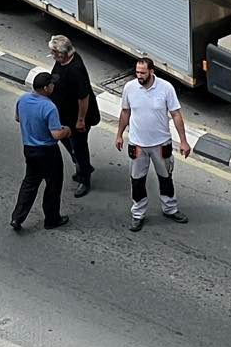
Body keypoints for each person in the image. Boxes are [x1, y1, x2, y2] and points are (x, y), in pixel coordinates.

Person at [114, 58, 190, 233]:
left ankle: (170, 209)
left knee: (165, 178)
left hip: (161, 144)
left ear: (151, 72)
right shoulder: (130, 88)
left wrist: (184, 141)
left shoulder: (166, 88)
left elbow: (176, 114)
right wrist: (119, 135)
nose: (139, 76)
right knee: (137, 181)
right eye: (137, 72)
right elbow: (125, 112)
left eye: (143, 72)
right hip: (137, 144)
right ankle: (138, 214)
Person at [11, 72, 69, 232]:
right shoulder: (49, 107)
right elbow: (56, 134)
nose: (53, 86)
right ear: (45, 88)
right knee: (53, 184)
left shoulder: (23, 99)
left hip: (29, 149)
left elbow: (18, 118)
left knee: (30, 182)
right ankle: (52, 219)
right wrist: (66, 130)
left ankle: (17, 217)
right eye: (51, 84)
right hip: (47, 151)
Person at [47, 37, 98, 196]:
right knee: (65, 139)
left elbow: (83, 97)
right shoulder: (61, 62)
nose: (52, 55)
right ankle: (80, 163)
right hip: (63, 113)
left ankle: (85, 177)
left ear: (63, 53)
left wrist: (81, 120)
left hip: (76, 117)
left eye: (54, 52)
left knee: (79, 147)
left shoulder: (75, 69)